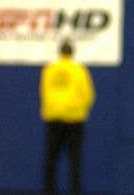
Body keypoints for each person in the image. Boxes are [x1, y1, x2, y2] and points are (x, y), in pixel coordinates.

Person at [40, 39, 95, 195]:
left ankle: (49, 191)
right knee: (75, 160)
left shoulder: (50, 69)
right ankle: (75, 191)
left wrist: (51, 109)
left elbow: (44, 91)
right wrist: (80, 110)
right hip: (74, 119)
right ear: (72, 52)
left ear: (60, 52)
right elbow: (88, 94)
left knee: (51, 160)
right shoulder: (79, 70)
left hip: (54, 118)